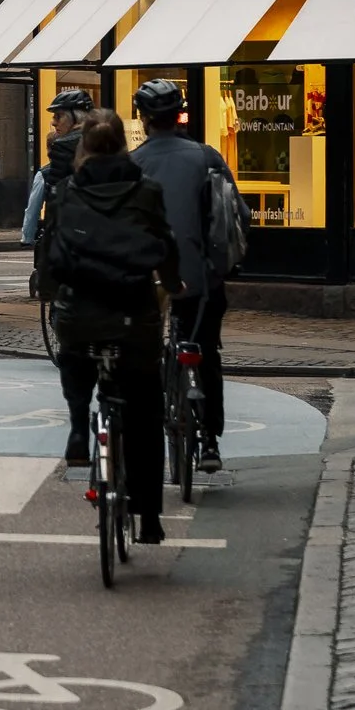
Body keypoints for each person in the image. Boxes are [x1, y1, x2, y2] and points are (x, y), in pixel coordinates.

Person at [42, 112, 180, 542]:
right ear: (124, 145)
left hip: (79, 313)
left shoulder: (66, 192)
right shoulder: (147, 191)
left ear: (82, 147)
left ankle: (80, 427)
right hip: (133, 316)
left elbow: (52, 251)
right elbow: (164, 245)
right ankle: (151, 518)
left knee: (74, 357)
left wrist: (50, 291)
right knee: (145, 409)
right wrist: (174, 284)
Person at [128, 78, 237, 473]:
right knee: (206, 352)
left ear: (144, 118)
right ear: (180, 115)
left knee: (141, 354)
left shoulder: (133, 164)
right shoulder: (207, 157)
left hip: (147, 281)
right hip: (202, 280)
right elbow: (236, 215)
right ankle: (209, 441)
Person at [22, 90, 92, 267]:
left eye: (59, 116)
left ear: (76, 117)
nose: (53, 122)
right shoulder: (104, 142)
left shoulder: (62, 146)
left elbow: (56, 199)